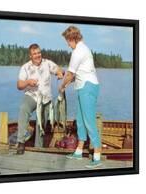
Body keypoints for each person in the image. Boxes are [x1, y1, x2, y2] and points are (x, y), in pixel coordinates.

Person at [59, 26, 101, 168]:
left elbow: (70, 74)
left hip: (87, 87)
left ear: (72, 38)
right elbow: (76, 74)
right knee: (81, 120)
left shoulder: (78, 51)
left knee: (89, 121)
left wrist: (61, 86)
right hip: (83, 86)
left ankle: (97, 155)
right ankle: (79, 151)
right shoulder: (83, 49)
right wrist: (67, 84)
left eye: (67, 41)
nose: (67, 44)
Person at [16, 43, 63, 154]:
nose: (37, 55)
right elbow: (19, 85)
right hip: (32, 96)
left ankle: (38, 147)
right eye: (34, 53)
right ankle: (21, 142)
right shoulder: (25, 67)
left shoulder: (47, 63)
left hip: (45, 99)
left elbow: (58, 70)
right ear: (30, 56)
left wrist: (60, 73)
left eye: (39, 53)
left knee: (41, 123)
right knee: (23, 108)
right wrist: (28, 82)